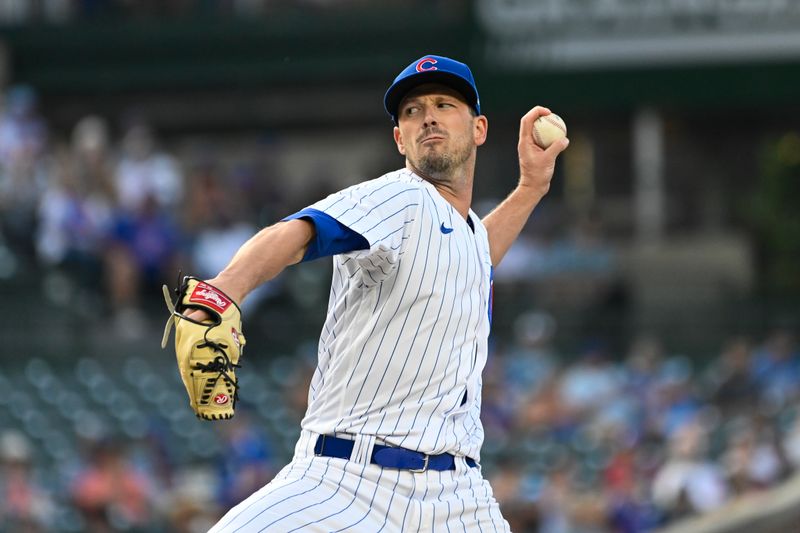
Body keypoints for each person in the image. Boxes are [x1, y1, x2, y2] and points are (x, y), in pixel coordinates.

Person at [196, 54, 568, 531]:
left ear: (478, 129)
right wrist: (221, 292)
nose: (427, 116)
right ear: (399, 139)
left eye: (443, 104)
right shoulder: (398, 197)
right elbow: (297, 233)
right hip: (345, 483)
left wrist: (531, 187)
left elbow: (472, 254)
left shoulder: (467, 230)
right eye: (411, 111)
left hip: (458, 497)